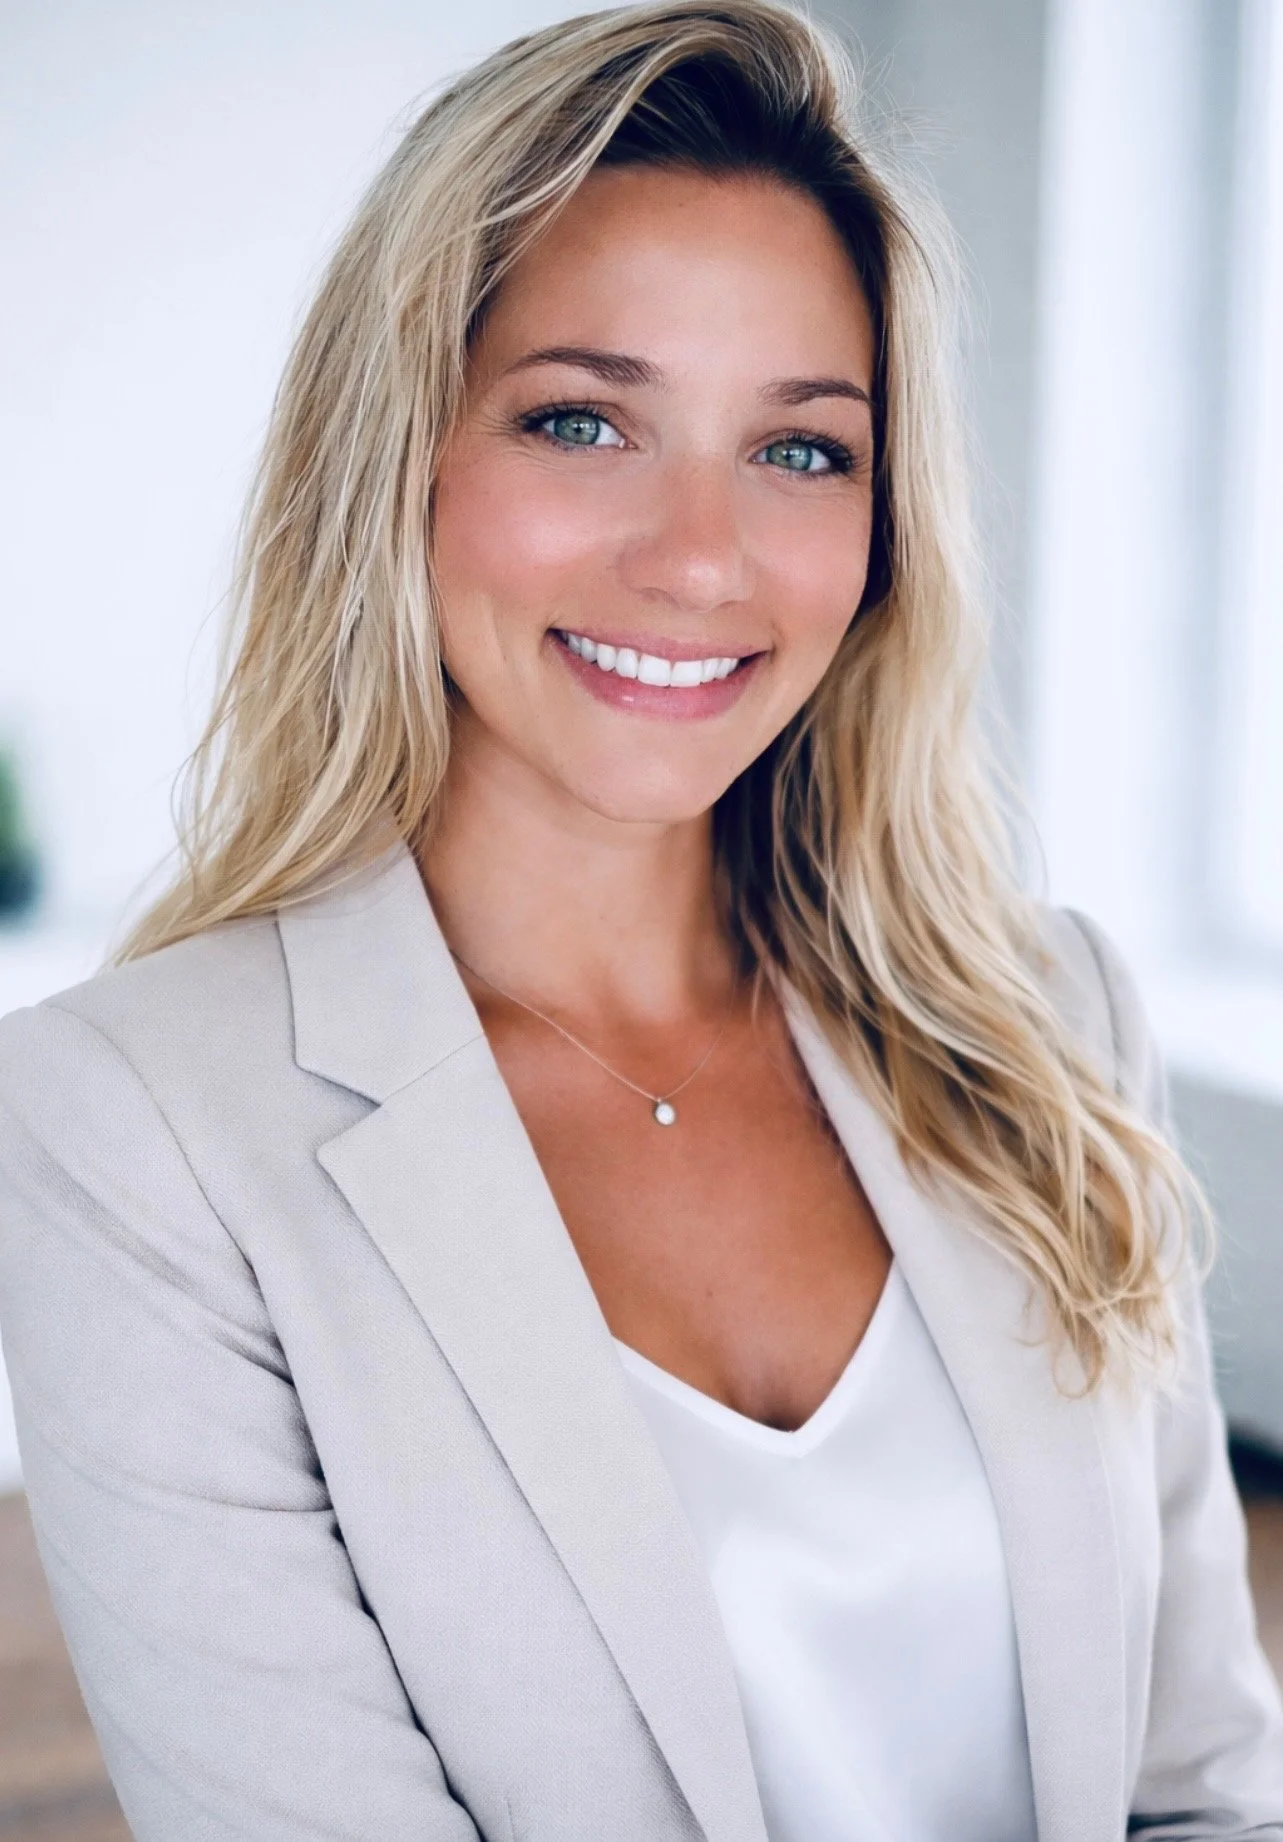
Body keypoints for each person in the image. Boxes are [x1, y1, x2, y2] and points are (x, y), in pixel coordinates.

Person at [1, 1, 1281, 1836]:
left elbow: (1201, 1790)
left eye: (801, 448)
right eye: (582, 419)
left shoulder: (1047, 1026)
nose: (697, 558)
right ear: (402, 460)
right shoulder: (128, 1130)